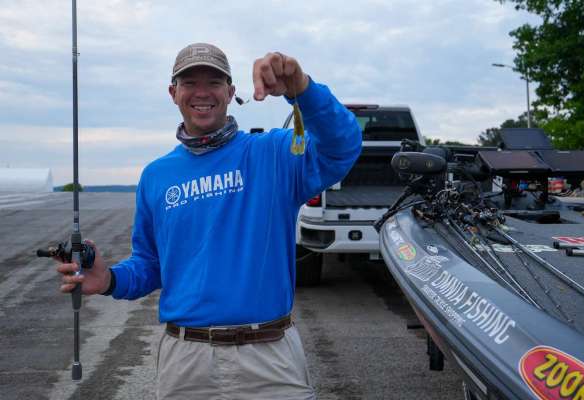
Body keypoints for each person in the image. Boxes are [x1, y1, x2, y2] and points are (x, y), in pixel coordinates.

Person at [56, 42, 361, 399]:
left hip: (270, 356)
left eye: (214, 82)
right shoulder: (156, 175)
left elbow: (342, 146)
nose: (202, 93)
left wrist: (303, 89)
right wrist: (109, 279)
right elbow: (151, 264)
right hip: (186, 362)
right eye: (190, 83)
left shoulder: (273, 154)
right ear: (173, 93)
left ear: (230, 93)